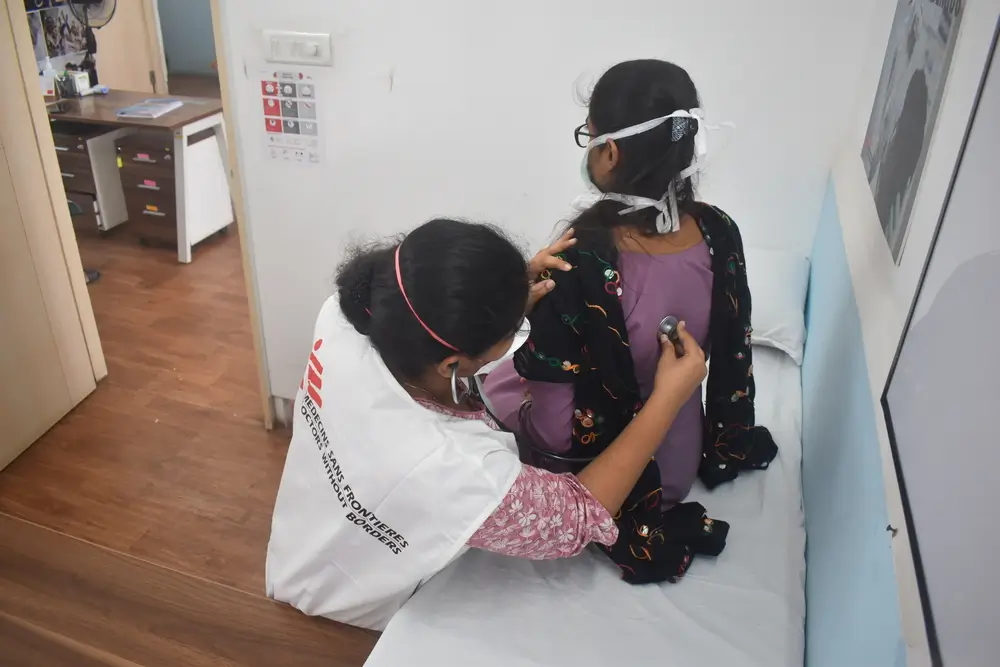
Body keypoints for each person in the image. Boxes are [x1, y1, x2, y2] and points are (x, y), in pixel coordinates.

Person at [265, 218, 708, 630]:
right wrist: (667, 399)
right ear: (451, 364)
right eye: (511, 334)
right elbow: (579, 517)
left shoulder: (350, 314)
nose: (517, 336)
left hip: (305, 537)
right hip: (344, 599)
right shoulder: (451, 467)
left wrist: (501, 295)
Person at [482, 60, 778, 584]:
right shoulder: (720, 231)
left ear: (610, 152)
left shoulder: (581, 255)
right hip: (676, 462)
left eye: (588, 137)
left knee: (501, 383)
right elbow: (735, 348)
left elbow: (555, 429)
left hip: (605, 466)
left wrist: (522, 428)